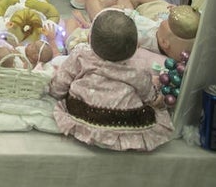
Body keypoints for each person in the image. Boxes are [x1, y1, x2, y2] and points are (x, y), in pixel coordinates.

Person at [49, 9, 173, 151]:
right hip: (125, 121)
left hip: (82, 113)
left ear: (89, 39)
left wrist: (55, 91)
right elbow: (148, 95)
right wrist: (156, 96)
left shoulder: (81, 55)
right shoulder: (138, 67)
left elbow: (61, 83)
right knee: (155, 109)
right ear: (136, 47)